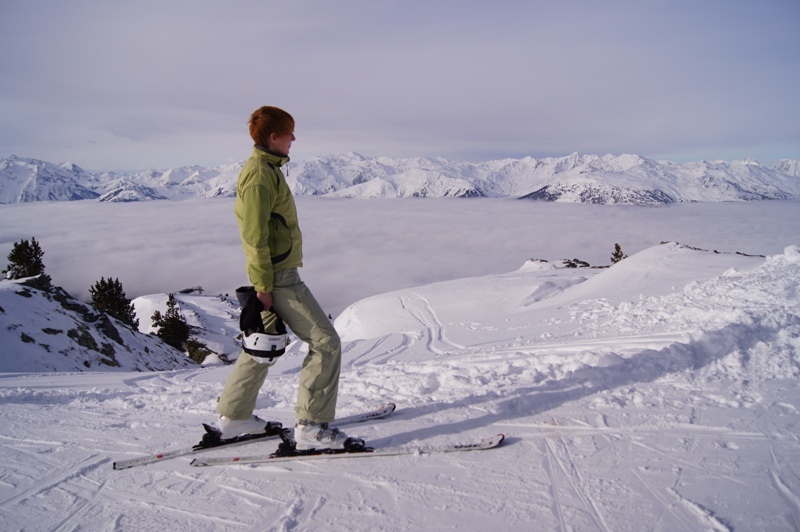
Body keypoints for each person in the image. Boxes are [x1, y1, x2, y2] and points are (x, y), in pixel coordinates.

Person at [215, 105, 351, 451]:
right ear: (273, 136)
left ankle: (234, 417)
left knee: (263, 344)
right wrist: (263, 287)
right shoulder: (260, 176)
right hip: (278, 277)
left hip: (273, 274)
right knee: (326, 343)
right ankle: (311, 426)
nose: (294, 138)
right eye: (289, 132)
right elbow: (254, 236)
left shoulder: (267, 170)